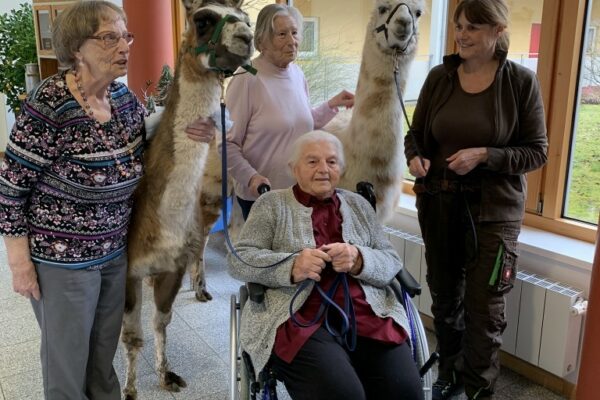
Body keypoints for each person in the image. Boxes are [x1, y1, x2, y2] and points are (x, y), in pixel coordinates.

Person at [0, 2, 213, 398]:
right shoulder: (48, 105)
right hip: (61, 261)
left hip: (112, 254)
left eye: (125, 36)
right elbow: (11, 188)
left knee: (102, 359)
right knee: (67, 367)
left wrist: (186, 132)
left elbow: (140, 153)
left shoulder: (124, 100)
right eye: (109, 37)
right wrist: (19, 264)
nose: (124, 46)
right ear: (77, 48)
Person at [403, 1, 548, 399]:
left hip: (493, 214)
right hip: (439, 205)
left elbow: (537, 151)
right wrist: (415, 157)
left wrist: (486, 155)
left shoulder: (520, 82)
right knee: (446, 296)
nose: (461, 35)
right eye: (458, 26)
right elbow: (414, 137)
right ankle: (450, 372)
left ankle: (478, 388)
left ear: (498, 32)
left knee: (485, 309)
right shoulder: (439, 78)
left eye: (473, 28)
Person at [228, 130, 424, 400]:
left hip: (367, 315)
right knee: (342, 395)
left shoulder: (358, 205)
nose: (323, 169)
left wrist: (359, 259)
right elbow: (239, 261)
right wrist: (292, 265)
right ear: (293, 169)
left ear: (341, 169)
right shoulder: (271, 205)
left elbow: (390, 260)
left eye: (331, 162)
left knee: (405, 391)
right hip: (299, 320)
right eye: (312, 162)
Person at [225, 4, 355, 220]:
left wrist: (332, 104)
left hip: (299, 191)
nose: (291, 41)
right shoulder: (247, 77)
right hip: (261, 196)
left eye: (294, 33)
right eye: (282, 34)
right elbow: (227, 144)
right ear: (262, 41)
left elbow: (300, 124)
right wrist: (252, 178)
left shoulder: (296, 73)